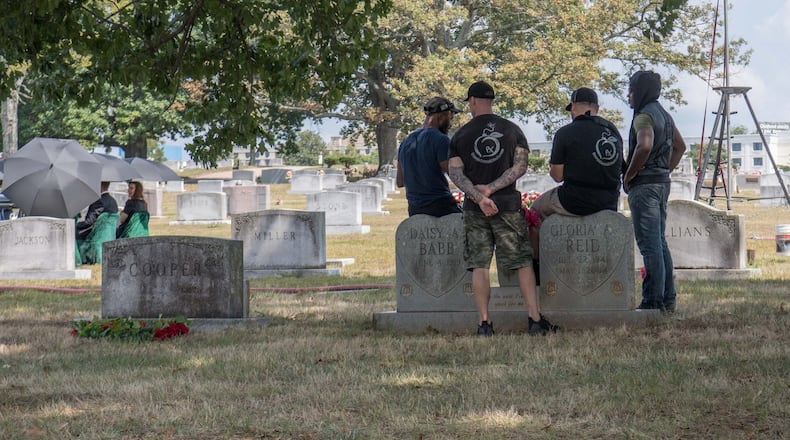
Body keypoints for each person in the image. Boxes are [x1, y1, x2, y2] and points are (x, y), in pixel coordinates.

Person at [447, 80, 558, 336]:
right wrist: (493, 190)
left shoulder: (461, 135)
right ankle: (534, 319)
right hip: (507, 205)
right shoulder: (512, 130)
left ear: (473, 101)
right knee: (522, 262)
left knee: (480, 265)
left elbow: (456, 173)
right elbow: (520, 166)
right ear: (492, 100)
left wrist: (479, 195)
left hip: (476, 209)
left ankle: (484, 323)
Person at [529, 87, 624, 262]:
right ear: (596, 107)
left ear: (573, 106)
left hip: (574, 200)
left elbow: (557, 176)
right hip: (608, 201)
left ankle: (538, 265)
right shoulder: (613, 132)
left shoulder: (565, 133)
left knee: (534, 210)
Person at [624, 70, 687, 313]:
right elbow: (680, 147)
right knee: (659, 243)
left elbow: (645, 144)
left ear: (640, 91)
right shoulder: (665, 115)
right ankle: (668, 299)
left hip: (645, 186)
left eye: (631, 90)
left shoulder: (643, 116)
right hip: (661, 183)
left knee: (649, 244)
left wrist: (630, 175)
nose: (629, 95)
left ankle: (652, 302)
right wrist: (664, 171)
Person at [396, 96, 463, 217]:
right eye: (450, 117)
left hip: (414, 209)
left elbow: (400, 182)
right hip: (441, 207)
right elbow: (455, 176)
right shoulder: (441, 140)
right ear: (441, 116)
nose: (450, 124)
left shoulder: (405, 143)